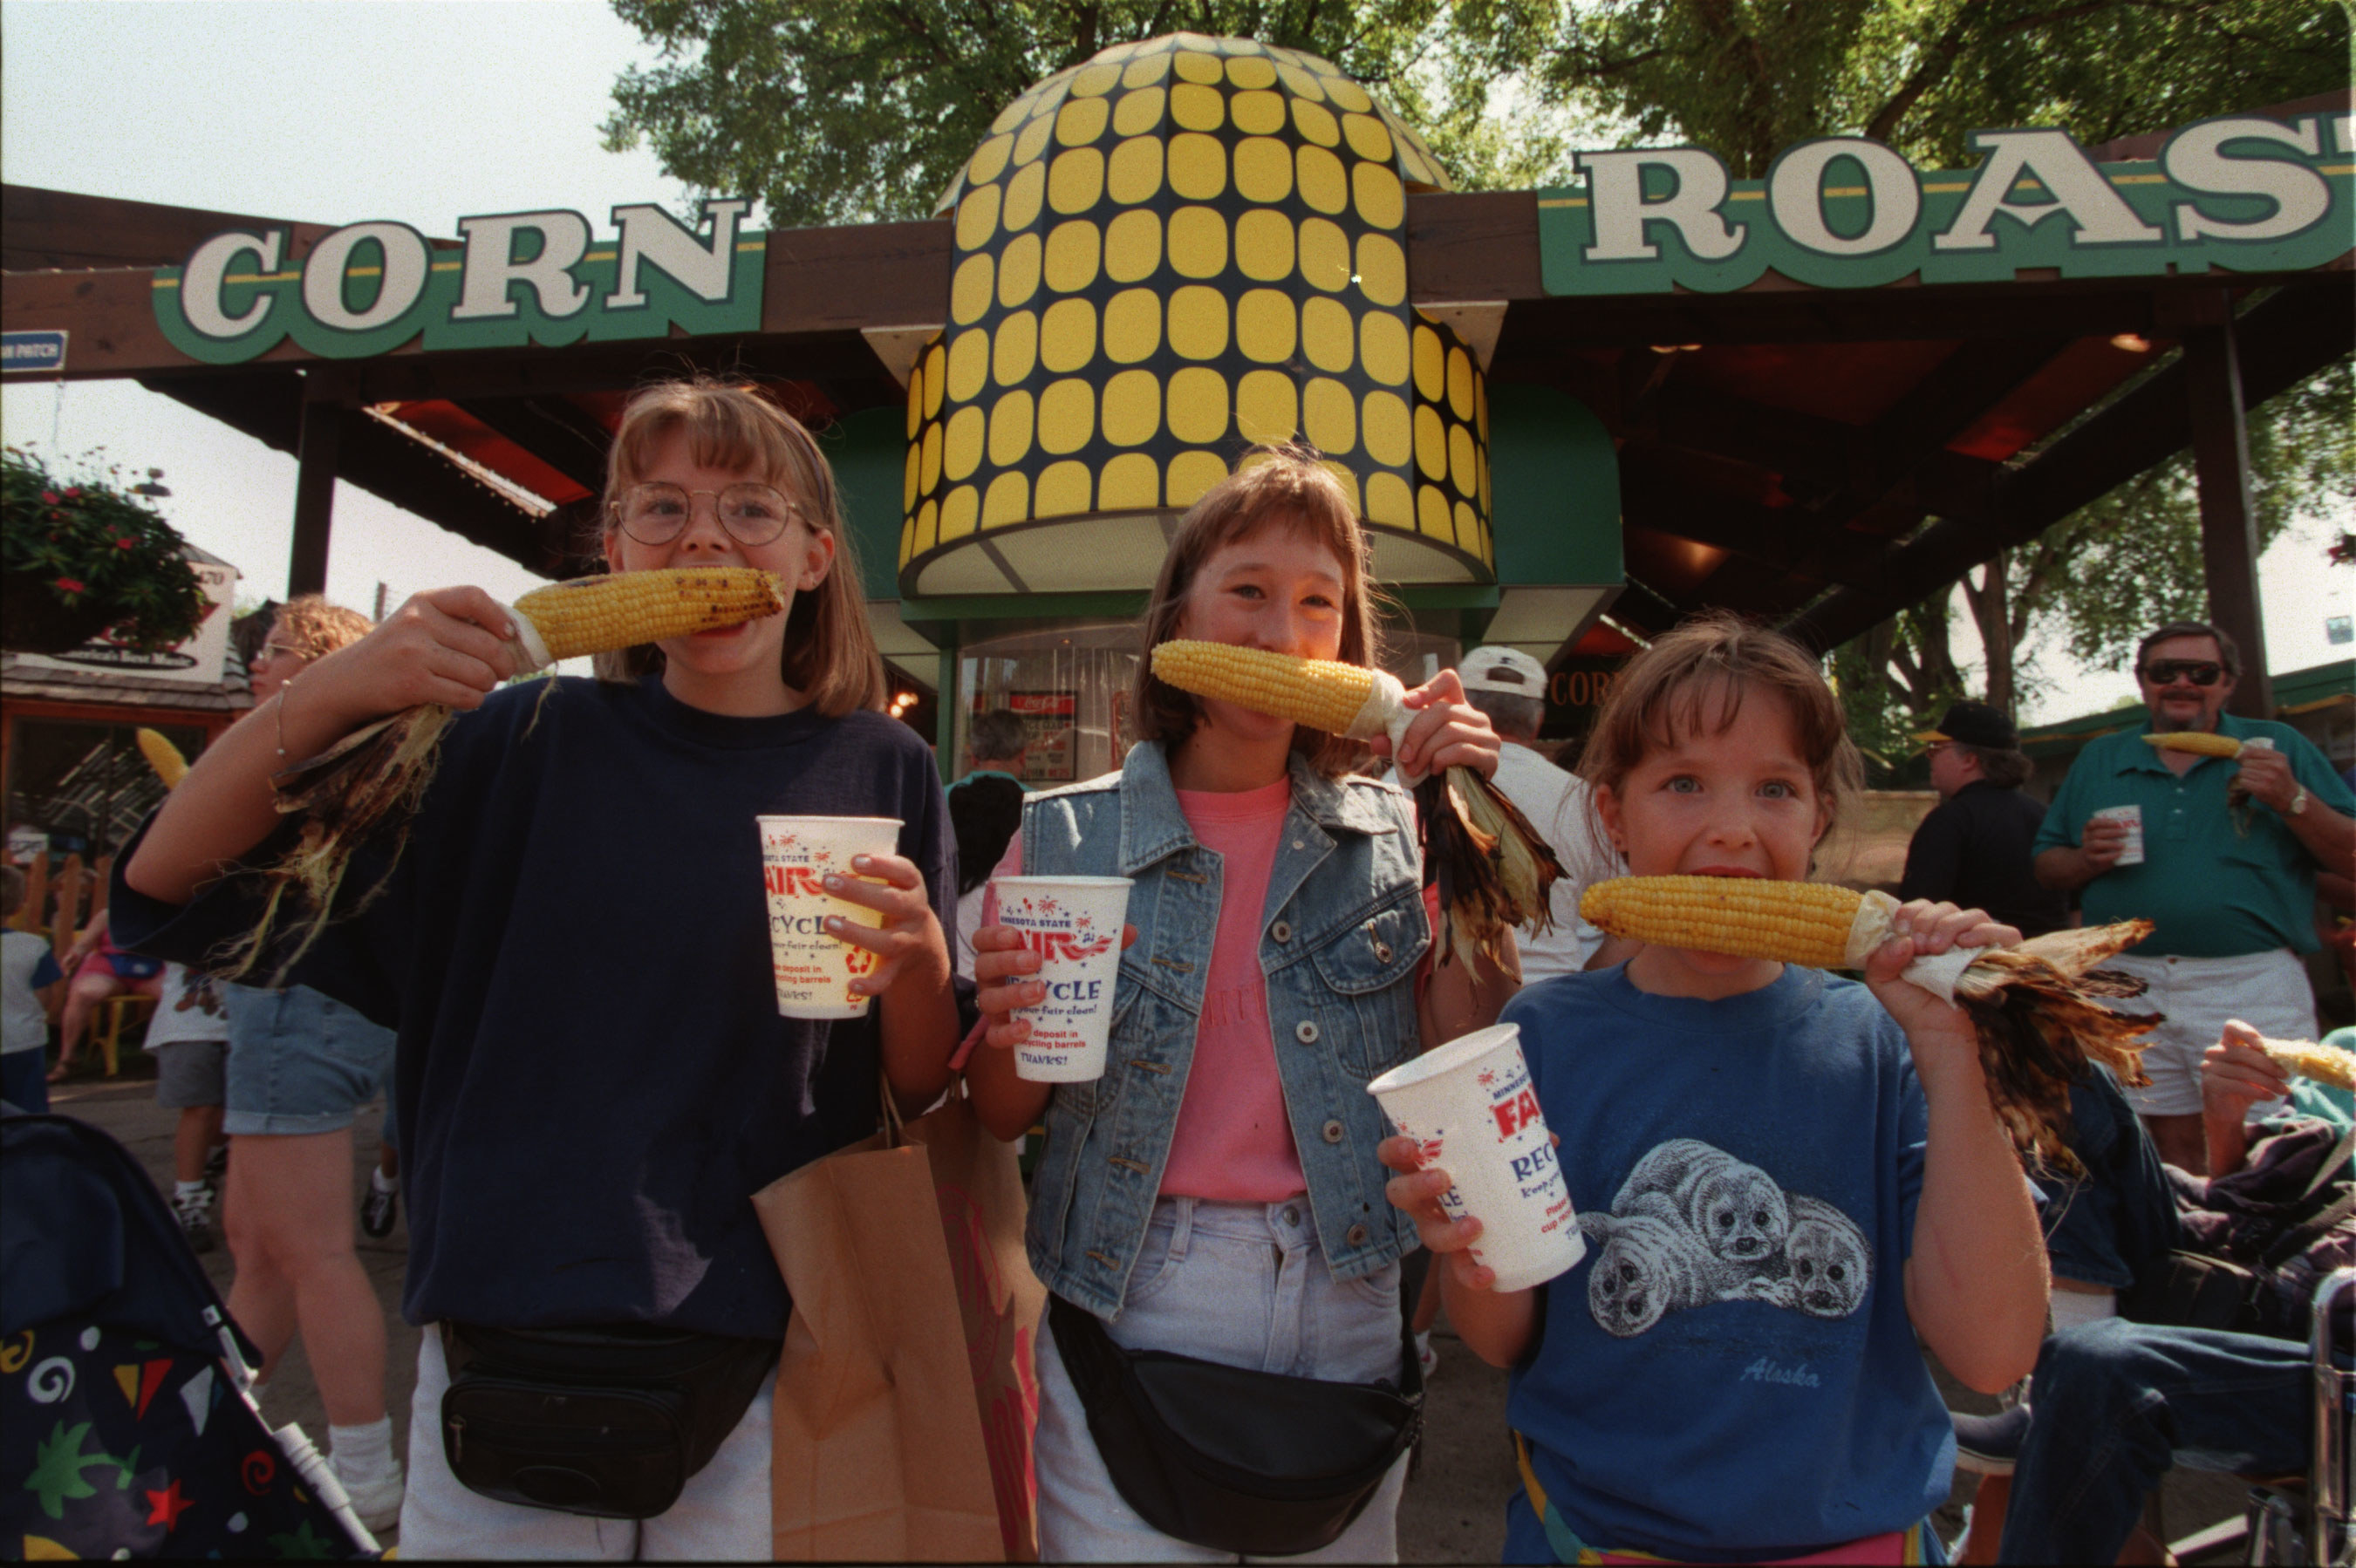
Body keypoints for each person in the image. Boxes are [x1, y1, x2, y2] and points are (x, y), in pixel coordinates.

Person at [113, 378, 961, 1559]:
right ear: (611, 553)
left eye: (750, 509)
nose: (704, 536)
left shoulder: (881, 765)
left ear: (817, 556)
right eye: (661, 510)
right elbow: (168, 879)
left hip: (783, 1346)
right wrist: (344, 685)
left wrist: (921, 962)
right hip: (507, 1335)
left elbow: (914, 1083)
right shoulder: (509, 742)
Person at [1387, 612, 2049, 1564]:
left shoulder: (1884, 1044)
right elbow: (1502, 1342)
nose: (1730, 830)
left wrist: (1960, 1061)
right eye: (1683, 783)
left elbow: (1992, 1353)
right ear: (1611, 816)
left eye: (1774, 788)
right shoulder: (1543, 1037)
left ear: (1818, 816)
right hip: (1602, 1543)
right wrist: (1466, 1242)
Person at [965, 449, 1511, 1563]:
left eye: (1319, 603)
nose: (1281, 634)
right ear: (1181, 614)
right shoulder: (1066, 833)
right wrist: (1018, 1017)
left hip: (1346, 1281)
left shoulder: (1397, 832)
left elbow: (1463, 1042)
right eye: (1249, 590)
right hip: (1134, 1288)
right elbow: (1000, 1110)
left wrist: (1462, 815)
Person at [192, 594, 407, 1524]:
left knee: (311, 1248)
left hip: (293, 1003)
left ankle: (365, 1468)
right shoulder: (359, 757)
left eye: (279, 649)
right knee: (258, 1245)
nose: (258, 663)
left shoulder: (301, 755)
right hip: (305, 1008)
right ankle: (205, 1431)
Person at [1990, 1029, 2351, 1565]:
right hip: (2244, 1276)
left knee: (2101, 1367)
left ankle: (2058, 1397)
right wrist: (2226, 1118)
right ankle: (2052, 1389)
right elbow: (2249, 1199)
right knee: (2053, 1068)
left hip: (2333, 1371)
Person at [2032, 621, 2355, 1172]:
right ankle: (2187, 1248)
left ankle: (2262, 1251)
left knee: (2274, 1140)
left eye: (2202, 672)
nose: (2183, 682)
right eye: (2165, 671)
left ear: (2228, 684)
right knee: (2160, 1143)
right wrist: (2085, 859)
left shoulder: (2280, 748)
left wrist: (2292, 798)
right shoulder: (2100, 759)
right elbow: (2046, 865)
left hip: (2251, 981)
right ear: (2143, 683)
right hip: (2126, 980)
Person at [1451, 645, 1626, 982]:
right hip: (1558, 1004)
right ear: (1538, 721)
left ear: (1463, 708)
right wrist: (1582, 987)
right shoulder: (1585, 800)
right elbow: (1628, 927)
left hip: (1456, 1012)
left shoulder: (1409, 782)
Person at [1900, 700, 2069, 937]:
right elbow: (2075, 909)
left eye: (1936, 748)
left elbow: (1915, 914)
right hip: (2053, 959)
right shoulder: (2046, 815)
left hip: (1982, 964)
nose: (1929, 757)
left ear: (1969, 759)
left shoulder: (1949, 820)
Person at [140, 961, 233, 1252]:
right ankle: (189, 1201)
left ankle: (213, 1161)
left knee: (237, 1120)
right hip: (189, 1025)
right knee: (200, 1110)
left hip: (252, 1022)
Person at [948, 708, 1028, 982]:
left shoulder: (941, 799)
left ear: (973, 758)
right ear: (1022, 757)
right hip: (1017, 948)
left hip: (949, 949)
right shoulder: (1042, 808)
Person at [44, 909, 164, 1081]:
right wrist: (76, 953)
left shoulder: (166, 911)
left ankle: (168, 1051)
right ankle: (67, 1058)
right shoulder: (107, 914)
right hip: (109, 966)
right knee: (84, 993)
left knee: (175, 995)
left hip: (150, 966)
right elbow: (84, 942)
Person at [1, 866, 63, 1113]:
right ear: (18, 906)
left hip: (21, 1042)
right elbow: (46, 997)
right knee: (28, 1116)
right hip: (22, 1042)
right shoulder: (33, 946)